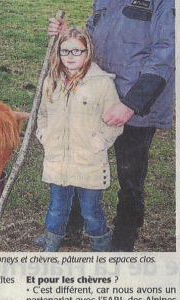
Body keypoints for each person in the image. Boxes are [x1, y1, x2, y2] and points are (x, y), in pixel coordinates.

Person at [43, 0, 175, 251]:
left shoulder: (162, 3)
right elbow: (91, 39)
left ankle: (124, 240)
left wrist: (131, 104)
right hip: (96, 98)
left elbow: (166, 53)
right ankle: (71, 231)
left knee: (131, 177)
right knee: (81, 162)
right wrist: (68, 35)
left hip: (135, 107)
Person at [36, 27, 123, 252]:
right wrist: (44, 135)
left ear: (88, 52)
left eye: (77, 51)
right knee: (57, 206)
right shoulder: (51, 81)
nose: (70, 57)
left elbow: (114, 122)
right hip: (58, 159)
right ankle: (51, 245)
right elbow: (43, 114)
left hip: (89, 161)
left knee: (90, 210)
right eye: (65, 51)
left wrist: (98, 144)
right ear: (58, 53)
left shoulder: (102, 84)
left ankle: (101, 248)